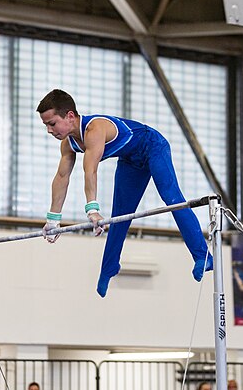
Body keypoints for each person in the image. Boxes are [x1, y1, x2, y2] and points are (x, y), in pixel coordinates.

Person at [37, 89, 213, 298]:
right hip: (130, 161)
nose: (49, 130)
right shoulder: (68, 144)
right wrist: (53, 220)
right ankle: (109, 267)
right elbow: (62, 177)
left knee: (172, 199)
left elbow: (90, 169)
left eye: (52, 123)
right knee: (120, 214)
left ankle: (203, 256)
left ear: (70, 116)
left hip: (153, 146)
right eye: (46, 125)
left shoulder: (94, 129)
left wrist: (92, 209)